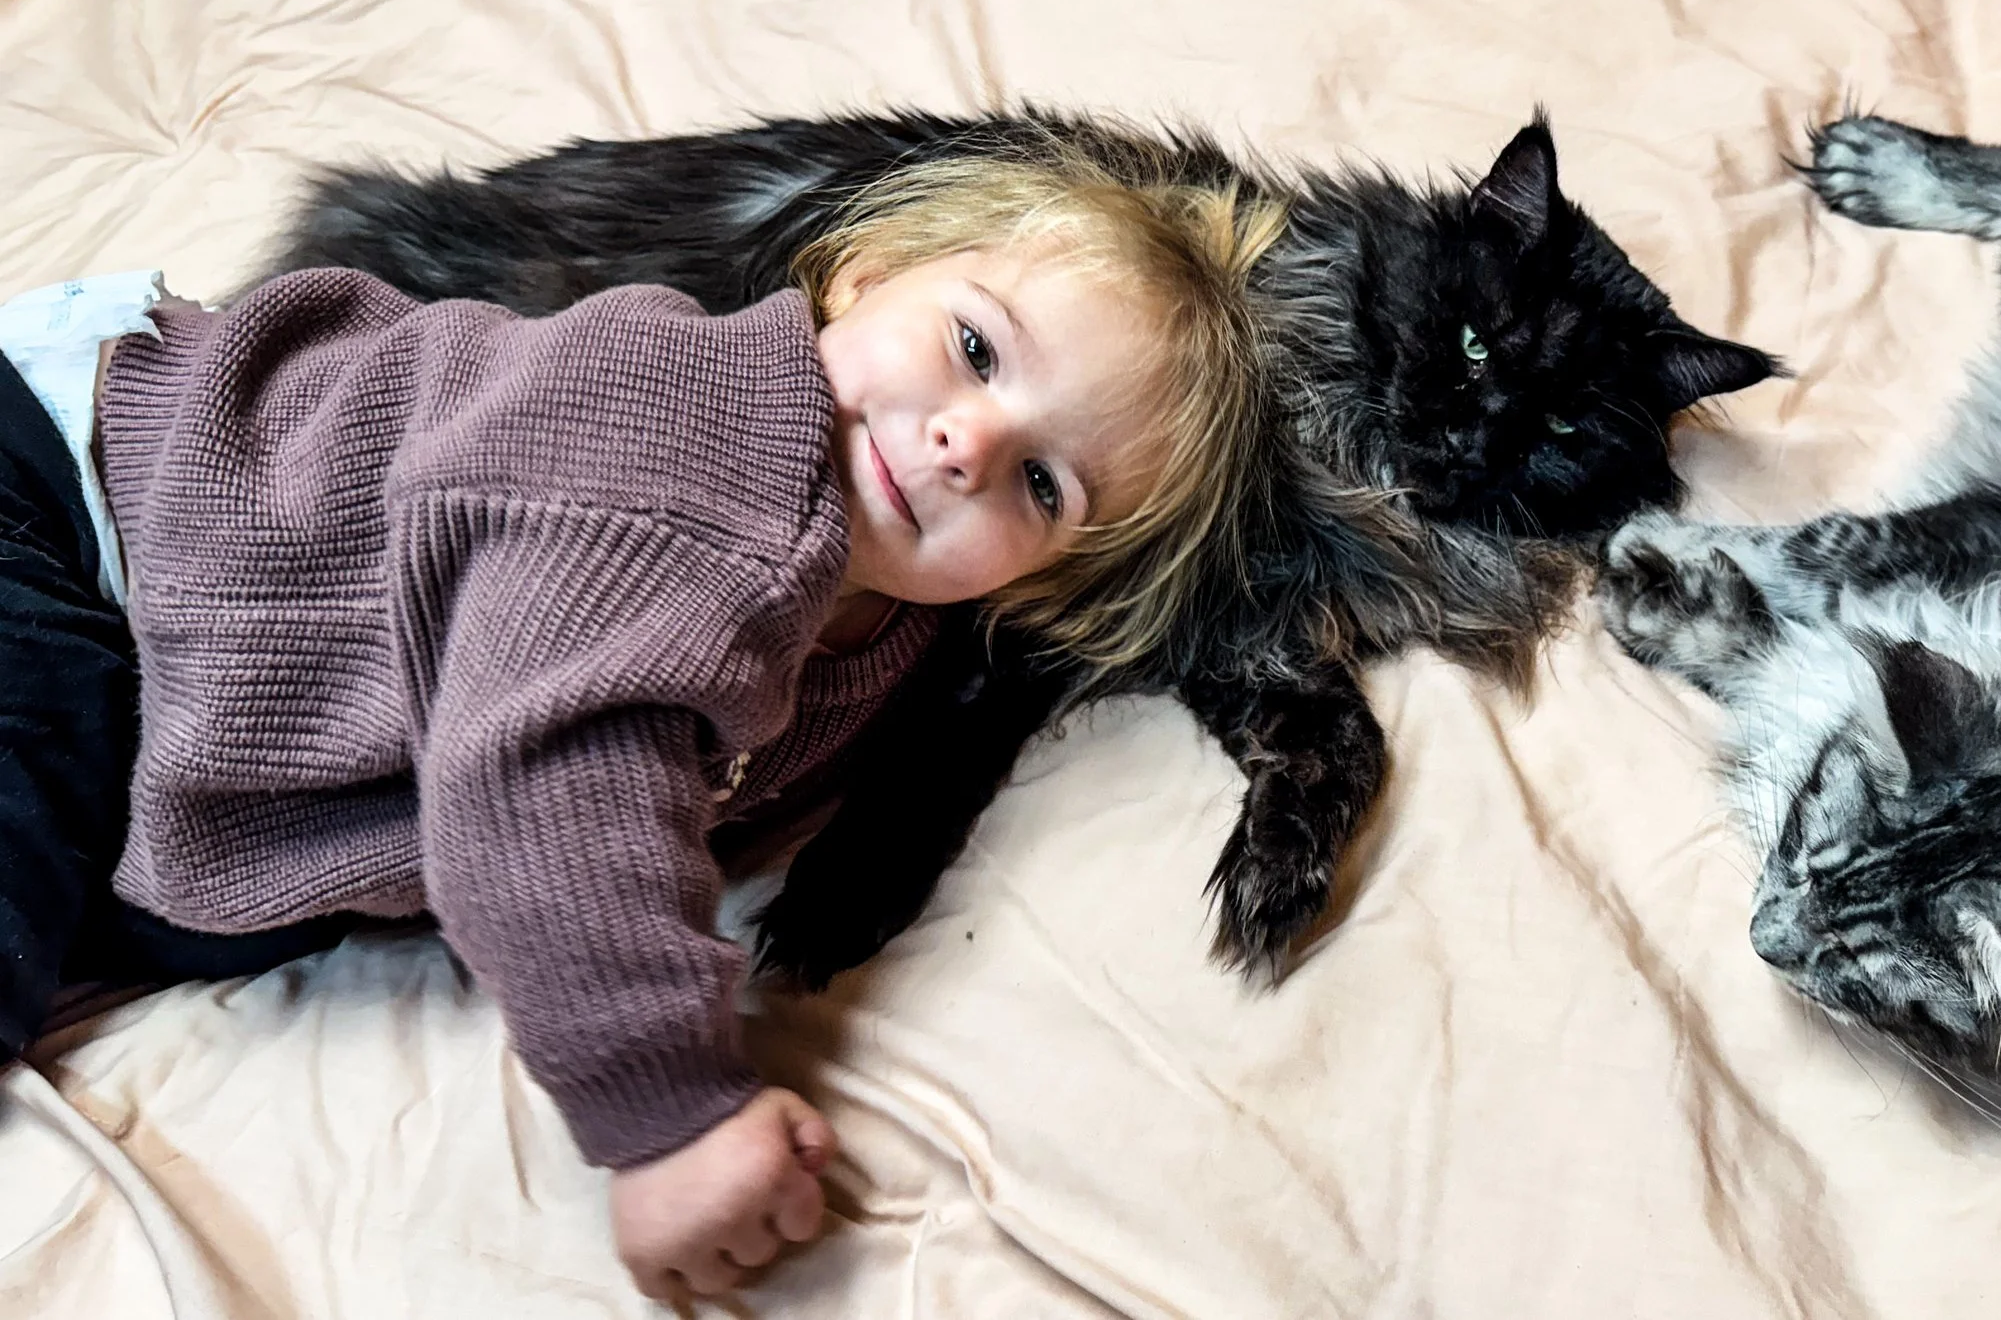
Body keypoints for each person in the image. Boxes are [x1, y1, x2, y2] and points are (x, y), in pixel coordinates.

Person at [0, 144, 1282, 1298]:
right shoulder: (683, 428)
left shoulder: (876, 622)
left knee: (138, 893)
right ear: (861, 271)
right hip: (77, 486)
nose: (966, 440)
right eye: (977, 348)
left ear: (1043, 572)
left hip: (183, 655)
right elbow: (547, 781)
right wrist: (664, 1108)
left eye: (1043, 483)